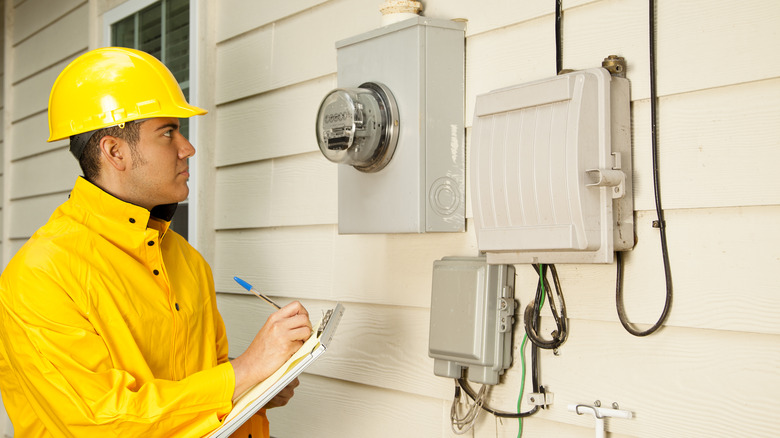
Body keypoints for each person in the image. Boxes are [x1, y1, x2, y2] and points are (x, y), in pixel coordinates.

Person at [0, 47, 312, 437]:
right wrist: (244, 371)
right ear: (115, 151)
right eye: (168, 132)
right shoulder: (41, 275)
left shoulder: (186, 261)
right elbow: (101, 423)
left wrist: (256, 388)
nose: (188, 148)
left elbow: (198, 393)